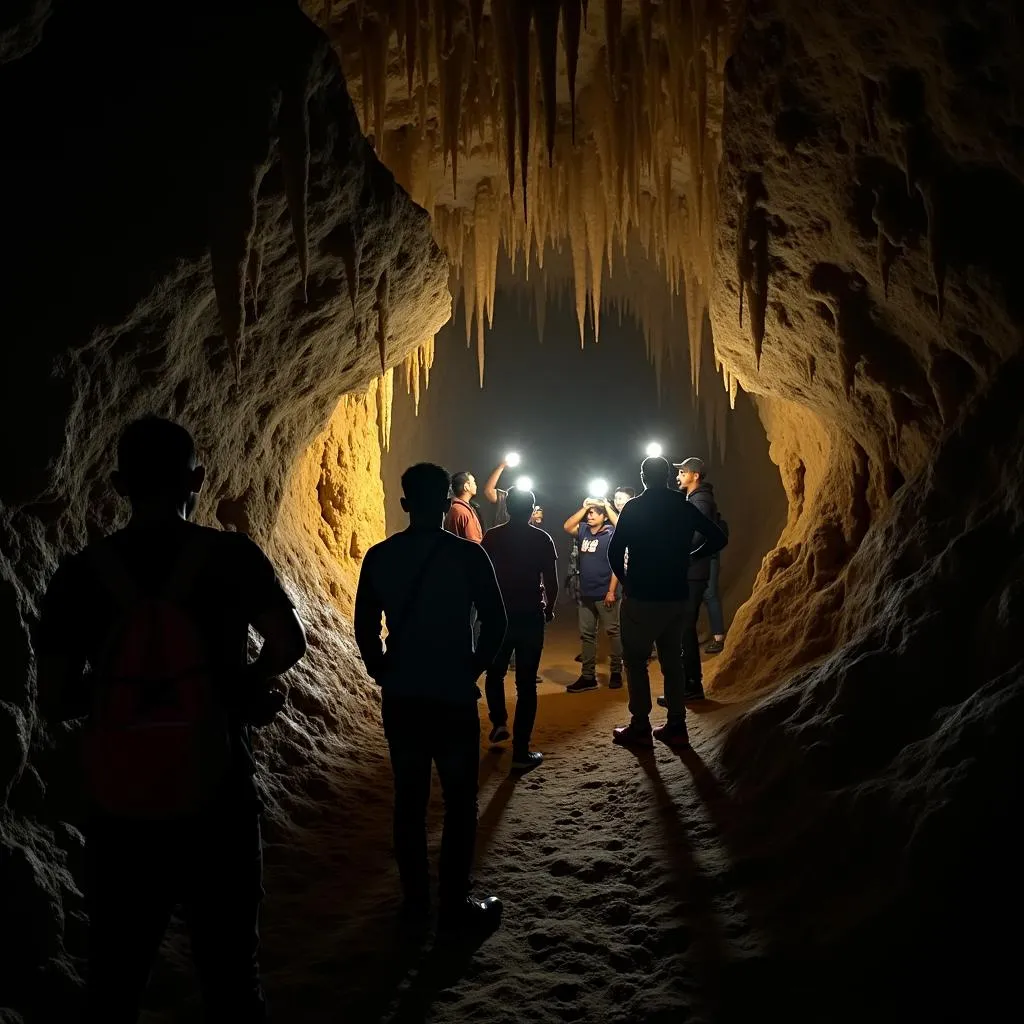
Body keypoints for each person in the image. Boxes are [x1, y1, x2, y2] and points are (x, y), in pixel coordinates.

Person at [35, 416, 307, 1023]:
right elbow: (289, 642)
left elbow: (53, 699)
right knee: (232, 976)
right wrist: (238, 689)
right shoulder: (229, 556)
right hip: (217, 790)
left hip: (121, 805)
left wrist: (125, 695)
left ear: (116, 484)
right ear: (197, 480)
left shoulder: (80, 574)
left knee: (115, 979)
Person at [354, 462, 506, 934]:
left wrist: (381, 667)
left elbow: (364, 626)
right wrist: (474, 666)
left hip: (404, 696)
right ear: (446, 503)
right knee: (460, 801)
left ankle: (415, 903)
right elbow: (496, 620)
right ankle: (455, 903)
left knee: (409, 800)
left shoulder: (380, 557)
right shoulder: (468, 557)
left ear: (404, 504)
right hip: (451, 694)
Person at [607, 456, 727, 749]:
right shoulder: (682, 506)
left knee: (635, 662)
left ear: (644, 477)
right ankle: (676, 725)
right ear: (666, 477)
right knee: (673, 662)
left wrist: (626, 582)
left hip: (641, 596)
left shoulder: (634, 507)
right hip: (675, 595)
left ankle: (640, 727)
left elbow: (614, 551)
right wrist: (693, 556)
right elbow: (717, 537)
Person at [481, 489, 558, 770]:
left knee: (495, 671)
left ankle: (499, 721)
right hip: (529, 615)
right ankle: (521, 752)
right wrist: (548, 608)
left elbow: (482, 574)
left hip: (499, 615)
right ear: (531, 509)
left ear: (509, 507)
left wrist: (485, 607)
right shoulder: (541, 538)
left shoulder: (493, 536)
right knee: (526, 684)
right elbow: (551, 580)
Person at [671, 456, 722, 700]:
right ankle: (689, 684)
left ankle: (692, 685)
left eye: (682, 472)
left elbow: (699, 534)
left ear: (695, 475)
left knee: (685, 628)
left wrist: (683, 554)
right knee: (684, 627)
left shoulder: (701, 500)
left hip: (693, 574)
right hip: (691, 572)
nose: (678, 476)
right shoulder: (693, 499)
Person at [562, 498, 623, 691]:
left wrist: (611, 591)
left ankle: (616, 672)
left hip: (605, 593)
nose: (590, 516)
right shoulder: (583, 531)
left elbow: (617, 562)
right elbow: (567, 525)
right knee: (587, 635)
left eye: (594, 513)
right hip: (586, 593)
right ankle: (588, 676)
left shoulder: (611, 533)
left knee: (613, 632)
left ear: (604, 516)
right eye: (589, 513)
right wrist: (586, 507)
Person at [444, 470, 484, 542]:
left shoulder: (456, 508)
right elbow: (473, 542)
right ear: (466, 487)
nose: (476, 485)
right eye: (473, 482)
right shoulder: (462, 511)